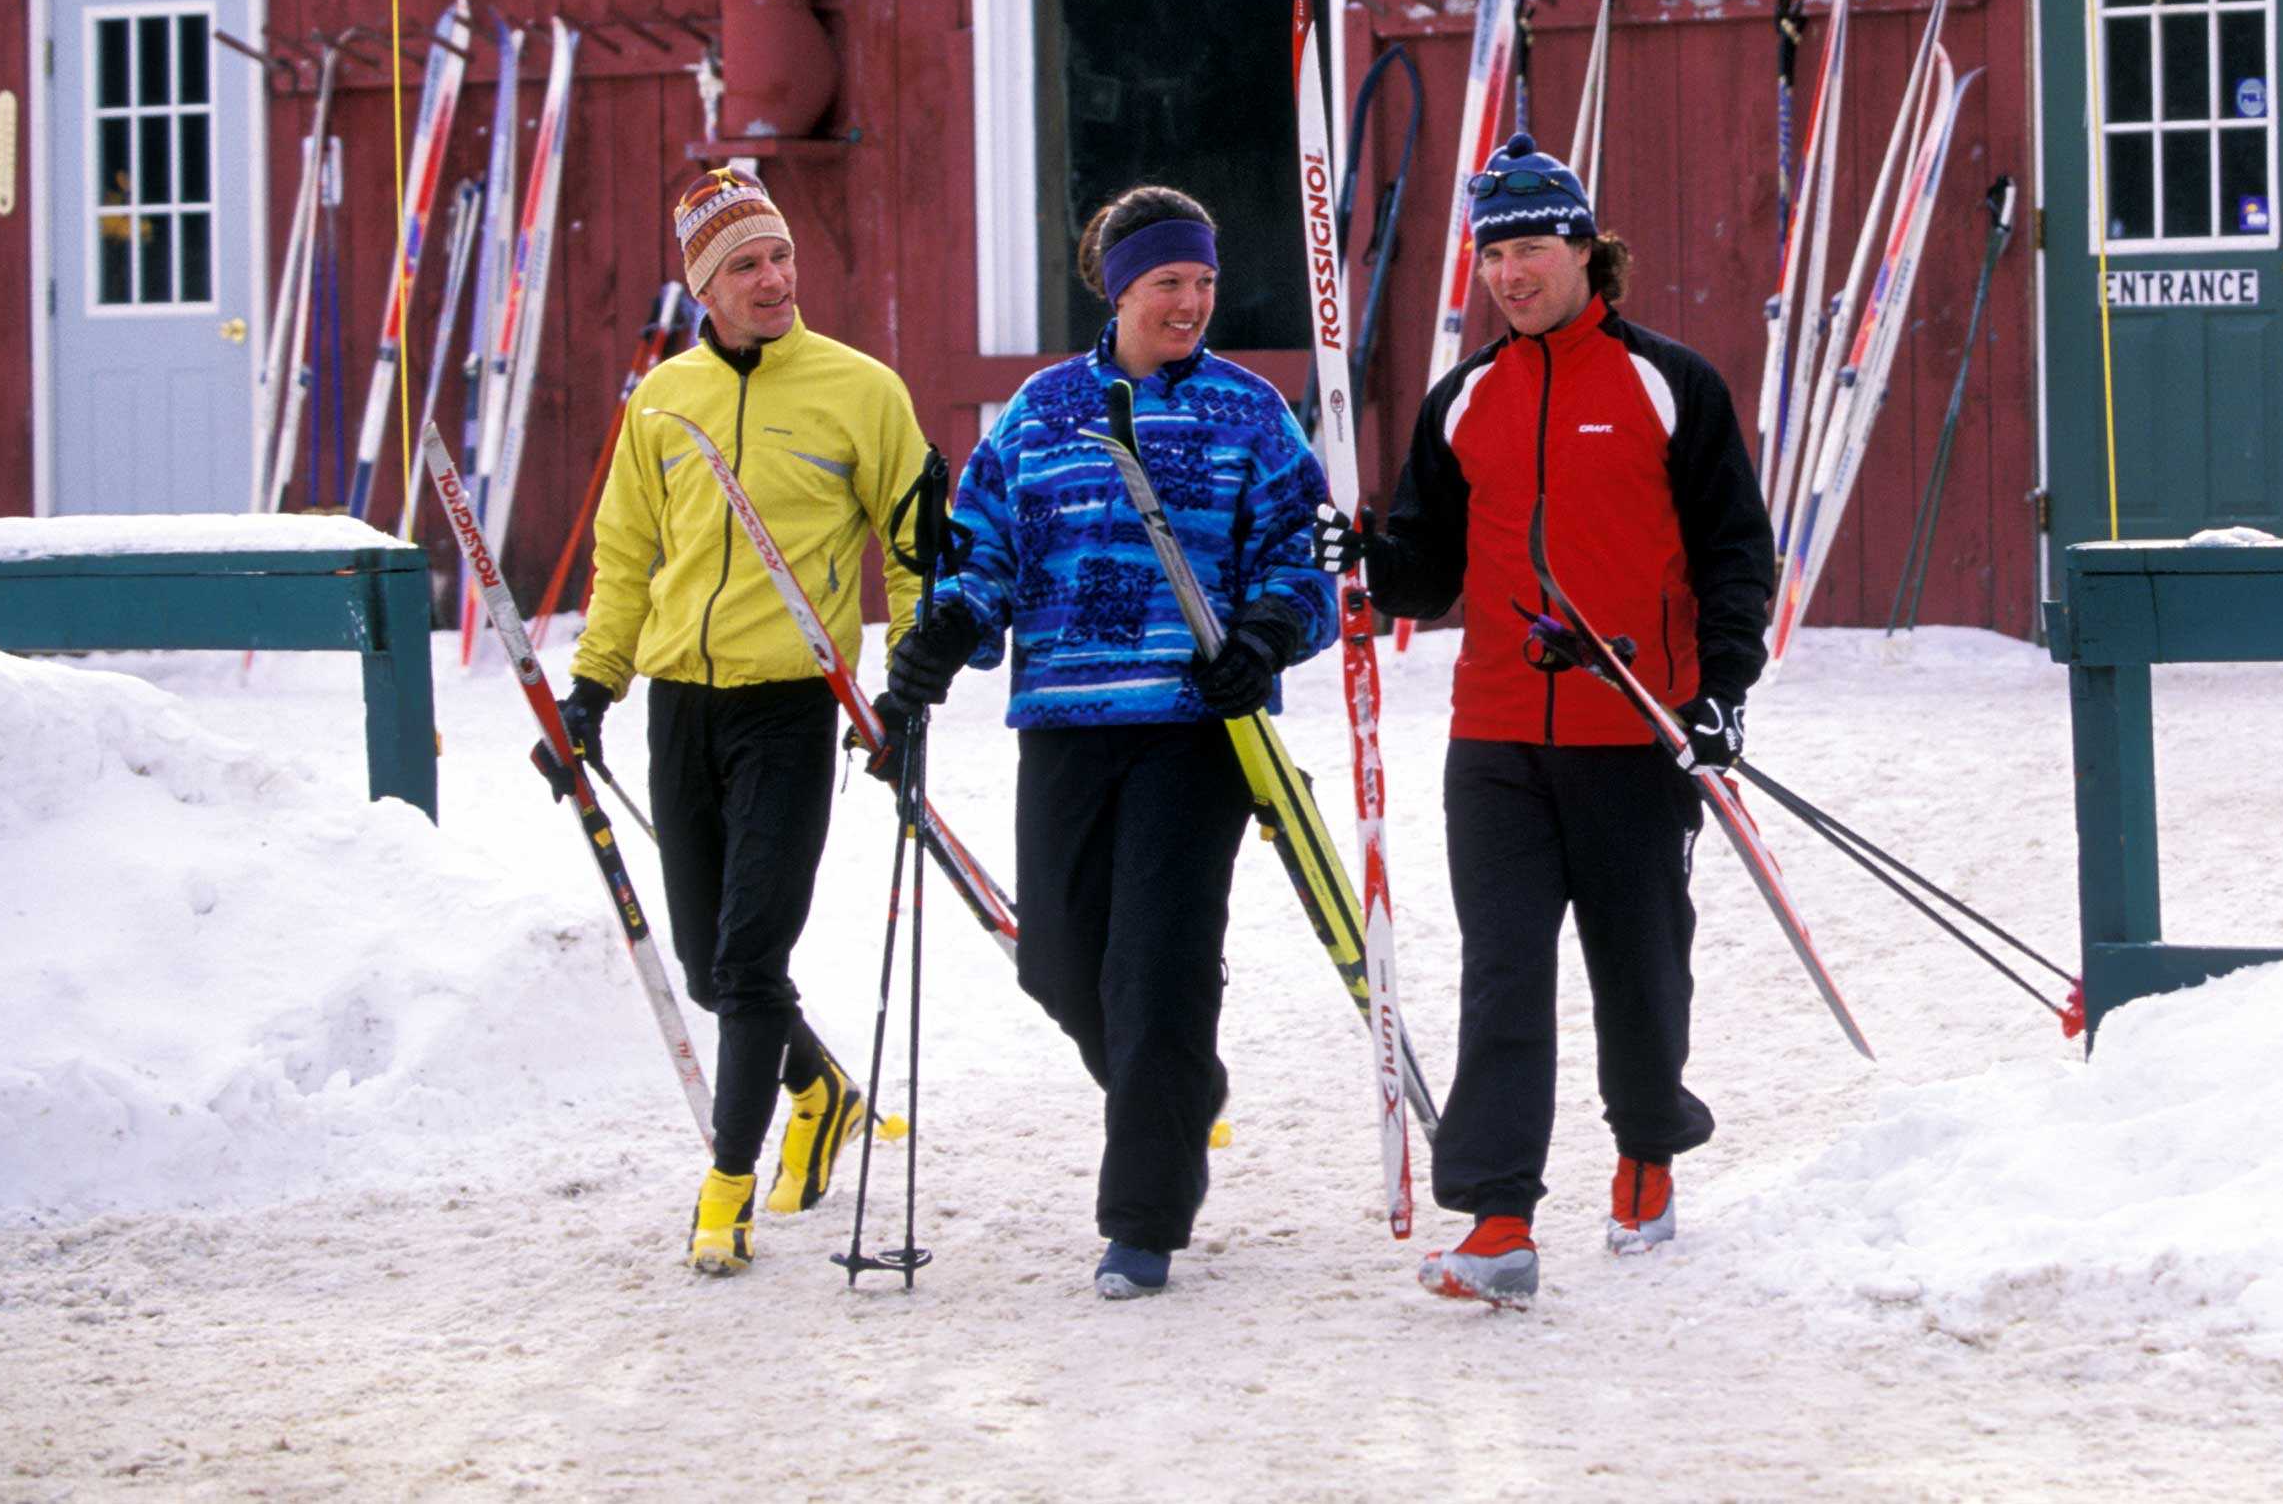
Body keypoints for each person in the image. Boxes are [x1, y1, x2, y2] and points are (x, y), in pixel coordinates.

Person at [1321, 134, 1775, 1308]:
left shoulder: (1670, 382)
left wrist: (1721, 690)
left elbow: (1735, 554)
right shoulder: (1465, 396)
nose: (1508, 275)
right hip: (1499, 733)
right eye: (1491, 255)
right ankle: (1500, 1216)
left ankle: (1646, 1155)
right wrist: (1366, 559)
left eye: (1528, 247)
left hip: (1637, 728)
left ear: (1583, 247)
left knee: (1639, 966)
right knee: (1503, 970)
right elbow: (1424, 578)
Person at [880, 184, 1335, 1300]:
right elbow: (983, 552)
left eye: (1206, 283)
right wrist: (945, 630)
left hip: (1196, 730)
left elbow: (1302, 557)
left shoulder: (1250, 413)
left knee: (1160, 969)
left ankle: (1143, 1217)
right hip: (1070, 724)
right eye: (1170, 282)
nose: (1191, 303)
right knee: (1059, 962)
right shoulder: (1038, 416)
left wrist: (1267, 632)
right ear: (1119, 287)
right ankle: (1174, 1089)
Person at [560, 170, 935, 1276]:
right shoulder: (661, 403)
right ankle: (818, 1090)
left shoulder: (861, 392)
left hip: (790, 706)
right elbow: (626, 559)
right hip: (681, 702)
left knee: (750, 954)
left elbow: (915, 549)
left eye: (779, 257)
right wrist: (592, 688)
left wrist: (907, 690)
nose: (773, 279)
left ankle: (726, 1186)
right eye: (744, 267)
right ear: (702, 288)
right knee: (705, 959)